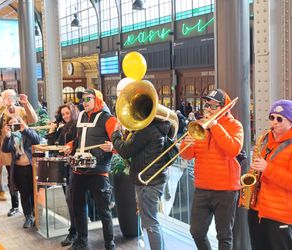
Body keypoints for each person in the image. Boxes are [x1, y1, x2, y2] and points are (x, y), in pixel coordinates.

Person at [180, 89, 244, 250]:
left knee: (224, 235)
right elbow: (187, 156)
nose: (207, 109)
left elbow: (233, 149)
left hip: (226, 190)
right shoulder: (199, 125)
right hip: (202, 188)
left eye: (212, 107)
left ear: (224, 108)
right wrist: (186, 143)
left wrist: (215, 126)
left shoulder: (235, 125)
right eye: (206, 105)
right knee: (196, 231)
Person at [112, 117, 173, 250]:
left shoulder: (146, 130)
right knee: (150, 222)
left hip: (147, 182)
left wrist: (116, 133)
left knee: (150, 223)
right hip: (152, 179)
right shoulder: (157, 127)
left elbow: (124, 151)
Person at [68, 88, 117, 250]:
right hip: (78, 170)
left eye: (88, 99)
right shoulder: (81, 116)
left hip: (98, 172)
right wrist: (70, 146)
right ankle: (81, 242)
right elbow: (78, 140)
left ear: (98, 99)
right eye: (83, 99)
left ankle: (109, 244)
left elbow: (120, 145)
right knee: (78, 207)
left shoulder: (109, 119)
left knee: (104, 211)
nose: (84, 102)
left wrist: (112, 147)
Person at [248, 99, 292, 250]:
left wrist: (267, 169)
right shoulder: (265, 140)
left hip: (280, 216)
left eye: (279, 119)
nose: (274, 122)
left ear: (290, 122)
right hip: (258, 211)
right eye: (271, 117)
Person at [0, 89, 38, 217]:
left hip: (23, 149)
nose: (10, 99)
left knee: (26, 180)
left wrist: (26, 104)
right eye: (7, 97)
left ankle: (31, 209)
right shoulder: (1, 111)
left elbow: (33, 119)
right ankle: (15, 206)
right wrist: (2, 105)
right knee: (11, 178)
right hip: (8, 148)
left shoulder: (21, 109)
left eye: (12, 96)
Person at [46, 103, 79, 247]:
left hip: (75, 168)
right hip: (65, 168)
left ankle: (74, 232)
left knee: (72, 201)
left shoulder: (77, 126)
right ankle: (75, 231)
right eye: (63, 114)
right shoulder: (64, 127)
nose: (66, 116)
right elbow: (54, 146)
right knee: (69, 201)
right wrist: (52, 130)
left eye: (68, 113)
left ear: (73, 112)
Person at [2, 116, 40, 228]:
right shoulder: (10, 136)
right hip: (18, 168)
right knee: (24, 193)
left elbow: (37, 140)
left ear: (20, 123)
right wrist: (7, 136)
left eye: (15, 122)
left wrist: (25, 129)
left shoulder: (26, 132)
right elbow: (5, 149)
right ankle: (28, 216)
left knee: (34, 192)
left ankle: (35, 214)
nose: (13, 124)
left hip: (31, 167)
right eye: (11, 123)